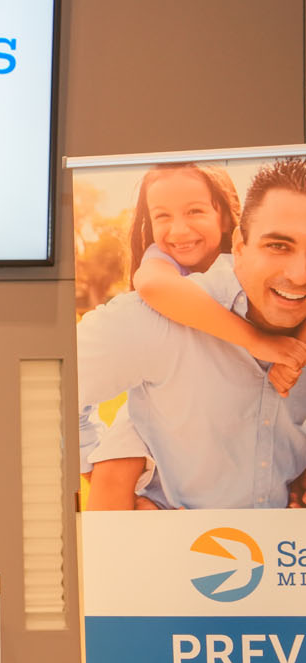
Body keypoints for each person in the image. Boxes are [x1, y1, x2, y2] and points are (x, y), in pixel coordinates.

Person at [77, 157, 306, 509]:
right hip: (175, 551)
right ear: (241, 244)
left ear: (226, 217)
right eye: (278, 246)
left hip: (282, 557)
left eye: (195, 212)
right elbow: (54, 386)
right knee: (120, 455)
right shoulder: (157, 309)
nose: (180, 231)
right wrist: (104, 467)